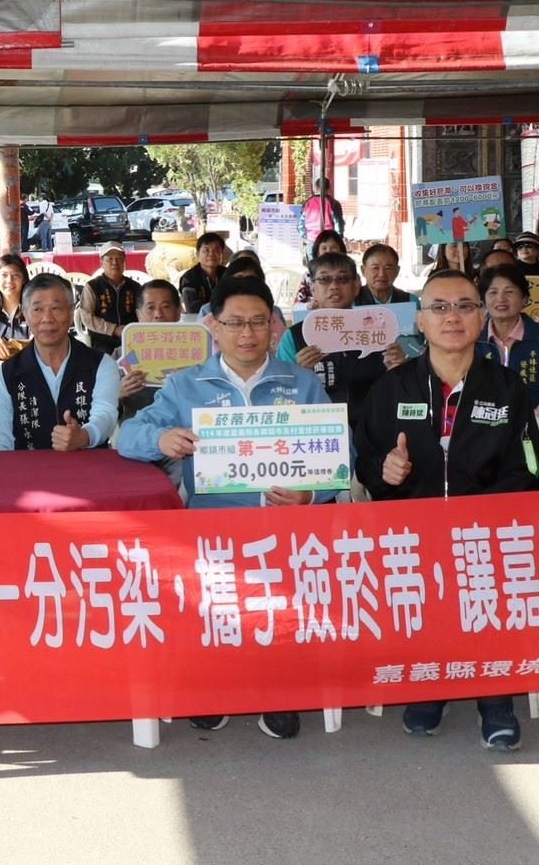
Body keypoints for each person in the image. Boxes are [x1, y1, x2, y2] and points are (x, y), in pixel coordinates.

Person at [118, 274, 337, 741]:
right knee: (214, 611)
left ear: (274, 326)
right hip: (214, 530)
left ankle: (277, 690)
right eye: (235, 322)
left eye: (258, 322)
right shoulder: (185, 386)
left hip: (285, 531)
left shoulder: (301, 384)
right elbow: (128, 436)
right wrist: (162, 438)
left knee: (280, 611)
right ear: (213, 326)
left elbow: (341, 455)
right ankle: (214, 687)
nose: (247, 333)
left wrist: (310, 494)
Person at [357, 269, 539, 752]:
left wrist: (482, 515)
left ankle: (495, 698)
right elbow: (366, 459)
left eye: (464, 306)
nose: (452, 317)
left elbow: (528, 463)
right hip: (412, 527)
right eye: (438, 307)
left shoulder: (507, 388)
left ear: (482, 318)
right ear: (420, 321)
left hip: (486, 529)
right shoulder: (391, 388)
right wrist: (386, 470)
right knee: (426, 603)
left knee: (488, 601)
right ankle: (431, 685)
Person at [0, 273, 120, 452]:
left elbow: (106, 414)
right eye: (38, 309)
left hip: (88, 468)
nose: (47, 318)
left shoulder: (101, 365)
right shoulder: (7, 374)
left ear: (71, 312)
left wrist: (85, 436)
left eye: (56, 308)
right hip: (26, 468)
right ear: (25, 314)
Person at [278, 252, 404, 425]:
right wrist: (299, 373)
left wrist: (398, 368)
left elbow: (398, 388)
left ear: (356, 286)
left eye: (343, 279)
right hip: (316, 429)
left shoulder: (379, 329)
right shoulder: (294, 336)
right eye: (324, 279)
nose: (334, 286)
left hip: (373, 427)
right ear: (313, 288)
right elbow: (279, 395)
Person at [476, 264, 539, 414]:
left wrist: (530, 418)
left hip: (533, 419)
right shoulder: (473, 338)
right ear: (484, 301)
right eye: (493, 292)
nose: (501, 298)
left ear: (524, 299)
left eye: (509, 292)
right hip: (481, 420)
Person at [118, 279, 182, 424]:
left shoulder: (198, 353)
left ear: (178, 312)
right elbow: (101, 407)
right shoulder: (121, 355)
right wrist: (118, 393)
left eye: (166, 306)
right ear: (139, 315)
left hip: (185, 429)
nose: (158, 314)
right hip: (138, 430)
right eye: (150, 307)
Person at [79, 243, 141, 356]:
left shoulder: (135, 286)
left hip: (132, 337)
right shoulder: (92, 286)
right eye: (110, 259)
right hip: (103, 339)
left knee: (140, 358)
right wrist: (113, 329)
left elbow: (143, 312)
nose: (114, 263)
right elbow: (87, 317)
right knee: (107, 361)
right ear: (101, 262)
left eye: (119, 259)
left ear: (124, 261)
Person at [178, 232, 229, 315]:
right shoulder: (189, 278)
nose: (211, 254)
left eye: (216, 250)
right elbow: (192, 308)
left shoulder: (228, 274)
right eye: (206, 250)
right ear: (198, 254)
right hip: (198, 320)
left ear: (221, 254)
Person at [293, 230, 345, 305]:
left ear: (341, 251)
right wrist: (308, 305)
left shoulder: (348, 274)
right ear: (317, 252)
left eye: (333, 247)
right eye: (324, 248)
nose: (328, 251)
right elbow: (298, 303)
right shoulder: (309, 275)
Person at [301, 176, 345, 240]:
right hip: (329, 238)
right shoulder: (333, 203)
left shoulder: (308, 203)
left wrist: (304, 235)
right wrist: (339, 236)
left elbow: (301, 222)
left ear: (316, 187)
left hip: (311, 237)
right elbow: (338, 222)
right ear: (329, 188)